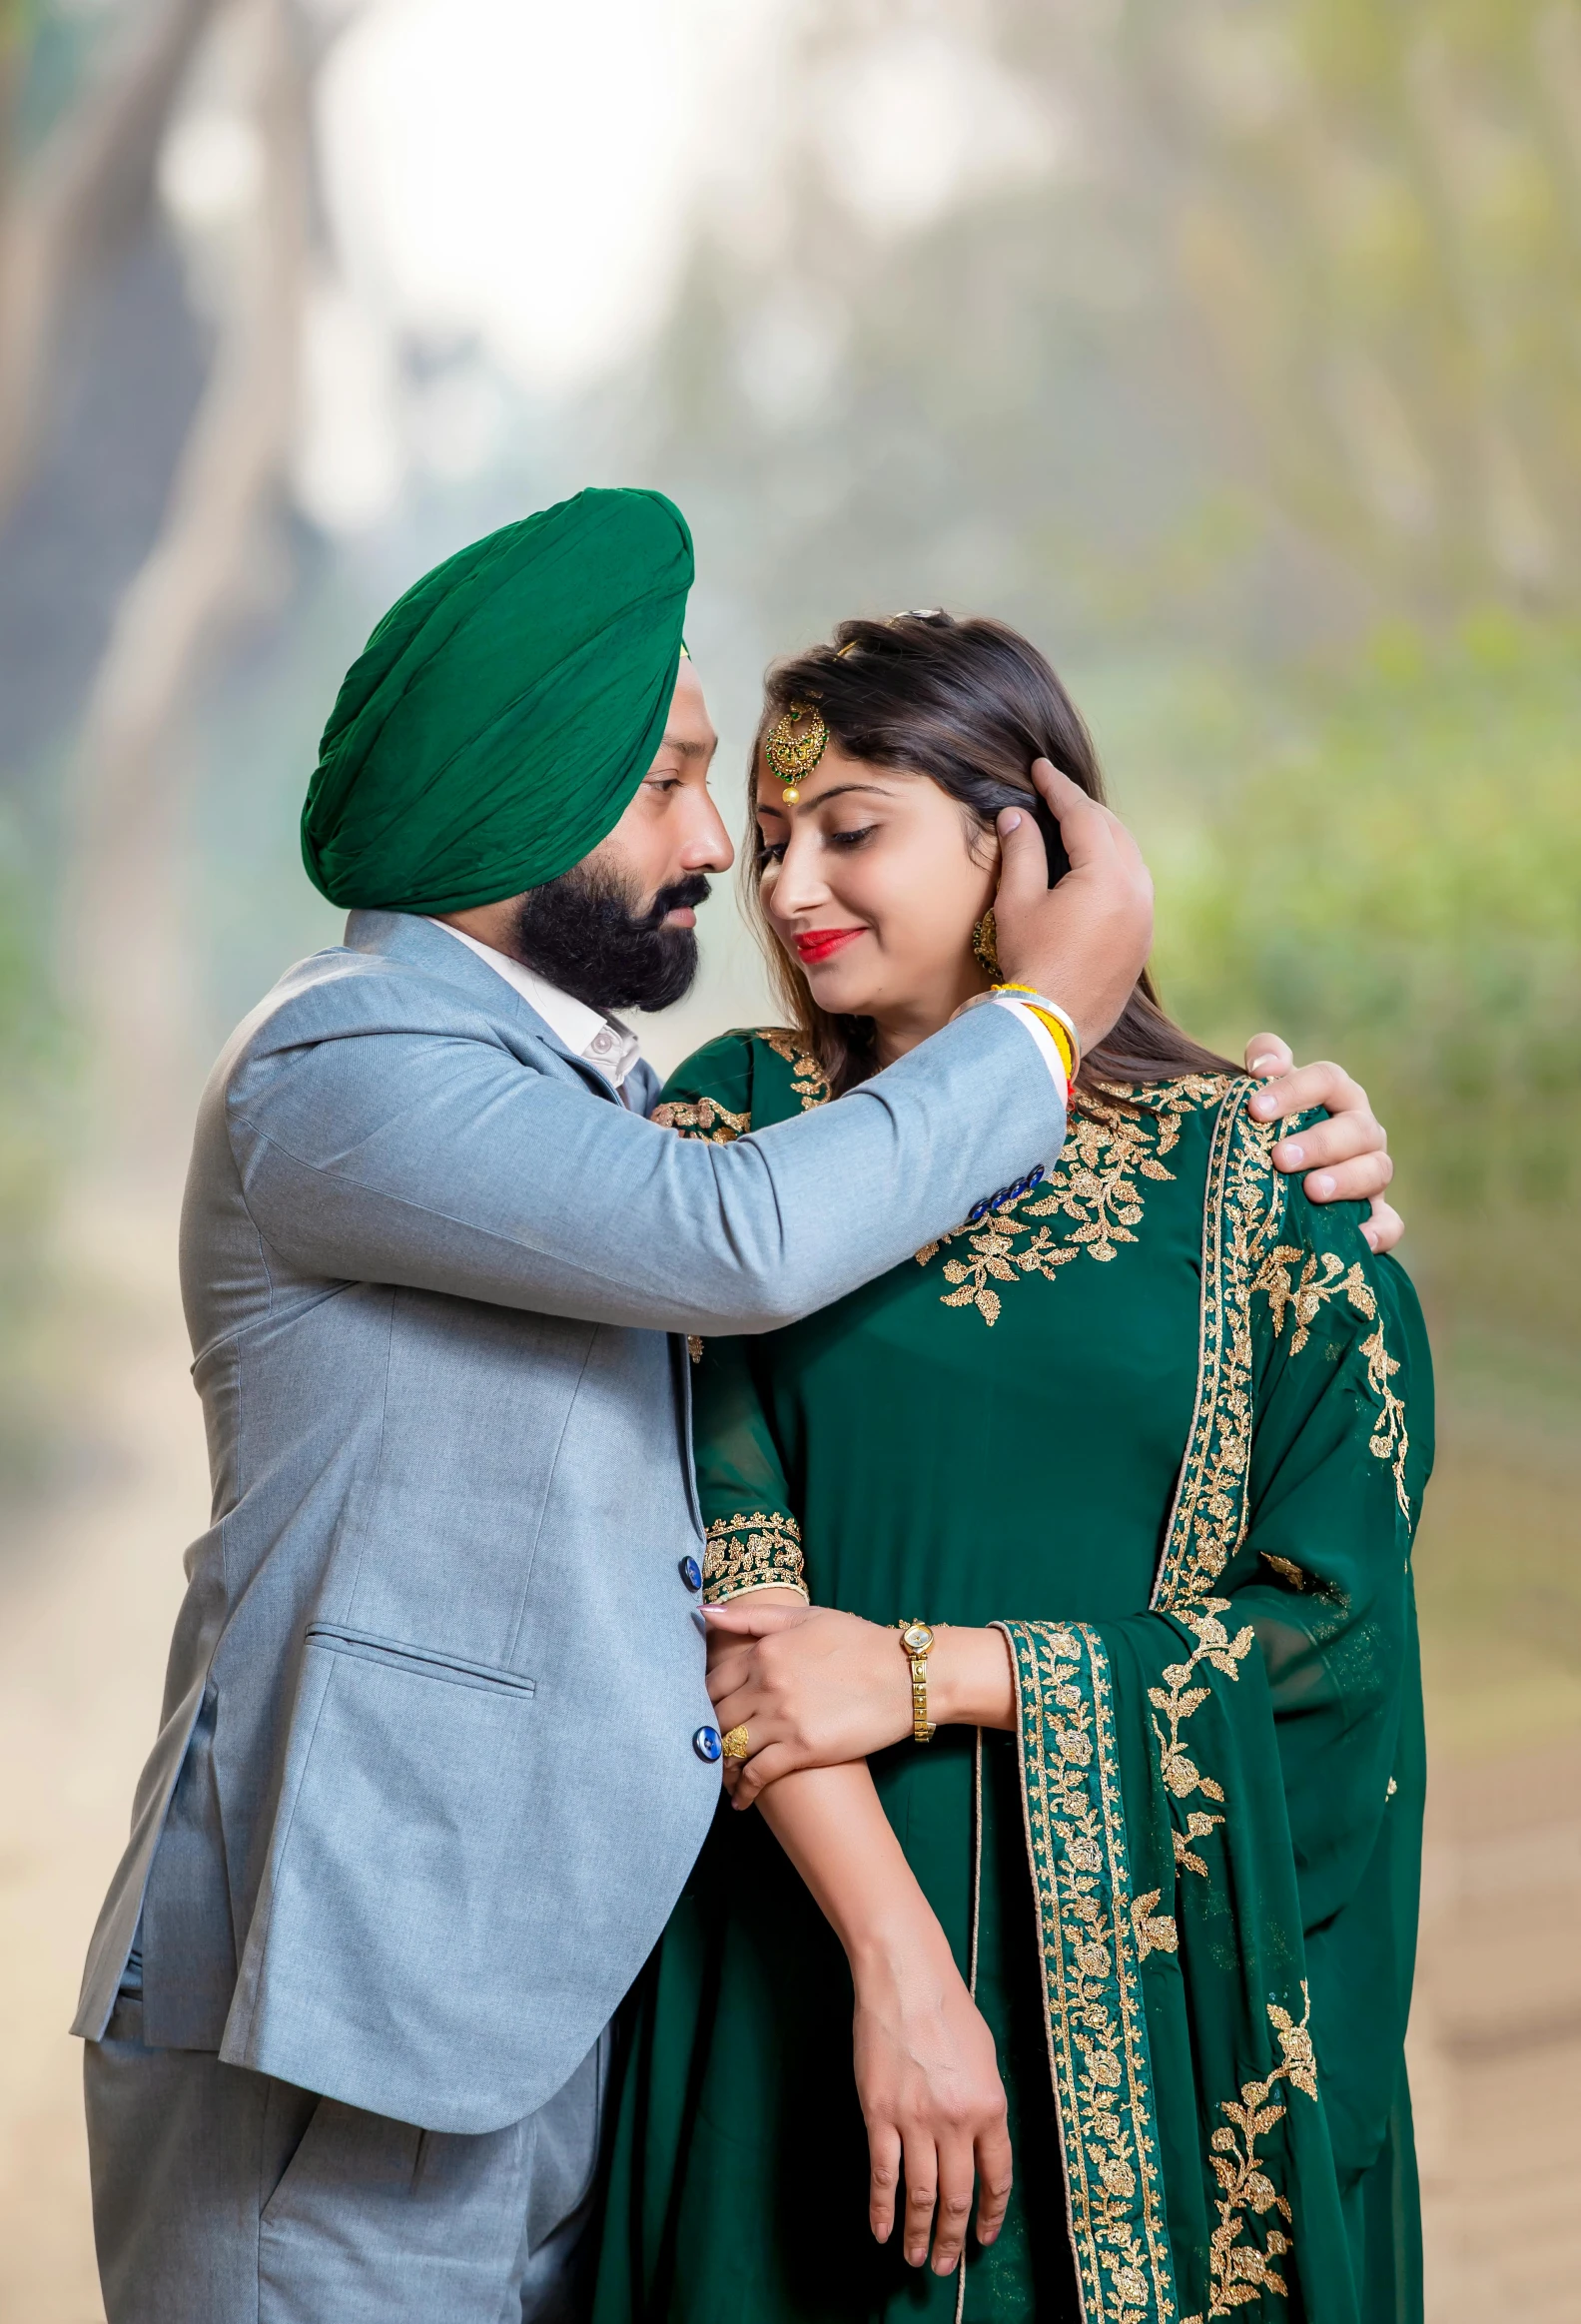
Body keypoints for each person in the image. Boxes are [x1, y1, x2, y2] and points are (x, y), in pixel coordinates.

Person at [70, 486, 1393, 2324]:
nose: (733, 861)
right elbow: (746, 1237)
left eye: (818, 822)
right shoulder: (350, 1059)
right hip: (353, 1992)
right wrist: (1058, 1005)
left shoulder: (585, 1097)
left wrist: (1244, 1141)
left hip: (572, 2018)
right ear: (520, 797)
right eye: (682, 789)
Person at [592, 611, 1428, 2324]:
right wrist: (900, 1972)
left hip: (1147, 1997)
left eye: (853, 825)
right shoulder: (726, 1135)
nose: (789, 884)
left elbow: (1331, 1638)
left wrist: (932, 1675)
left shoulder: (1256, 1172)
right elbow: (726, 1593)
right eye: (767, 839)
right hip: (802, 1955)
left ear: (1022, 841)